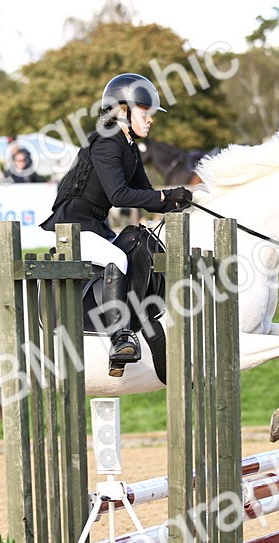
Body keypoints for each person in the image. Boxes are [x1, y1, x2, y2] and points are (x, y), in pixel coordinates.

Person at [40, 72, 190, 370]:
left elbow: (145, 193)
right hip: (72, 228)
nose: (151, 120)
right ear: (123, 110)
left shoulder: (129, 147)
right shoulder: (107, 143)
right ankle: (120, 337)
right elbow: (121, 195)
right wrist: (164, 197)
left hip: (94, 226)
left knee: (137, 243)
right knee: (117, 258)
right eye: (145, 113)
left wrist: (176, 201)